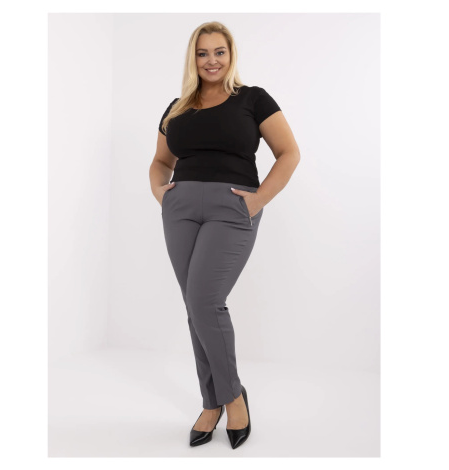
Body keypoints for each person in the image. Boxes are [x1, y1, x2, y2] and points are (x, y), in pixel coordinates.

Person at [149, 21, 301, 449]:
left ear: (231, 55)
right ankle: (210, 401)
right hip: (180, 209)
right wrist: (161, 193)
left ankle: (232, 396)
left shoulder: (253, 99)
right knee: (194, 306)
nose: (211, 60)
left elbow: (289, 153)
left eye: (219, 52)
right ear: (192, 58)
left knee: (204, 300)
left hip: (232, 208)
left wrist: (257, 201)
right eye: (202, 53)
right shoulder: (177, 108)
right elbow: (160, 162)